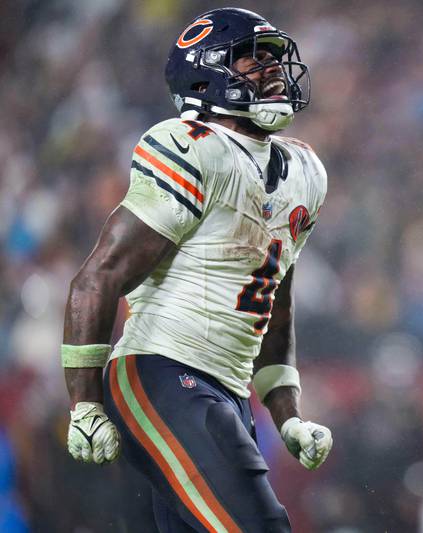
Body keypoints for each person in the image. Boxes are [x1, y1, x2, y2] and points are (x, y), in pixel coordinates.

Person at [60, 8, 332, 532]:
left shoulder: (304, 171)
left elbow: (273, 304)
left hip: (227, 394)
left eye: (275, 57)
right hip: (161, 372)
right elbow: (98, 278)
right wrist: (84, 404)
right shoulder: (193, 147)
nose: (273, 69)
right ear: (206, 74)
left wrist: (288, 415)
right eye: (253, 58)